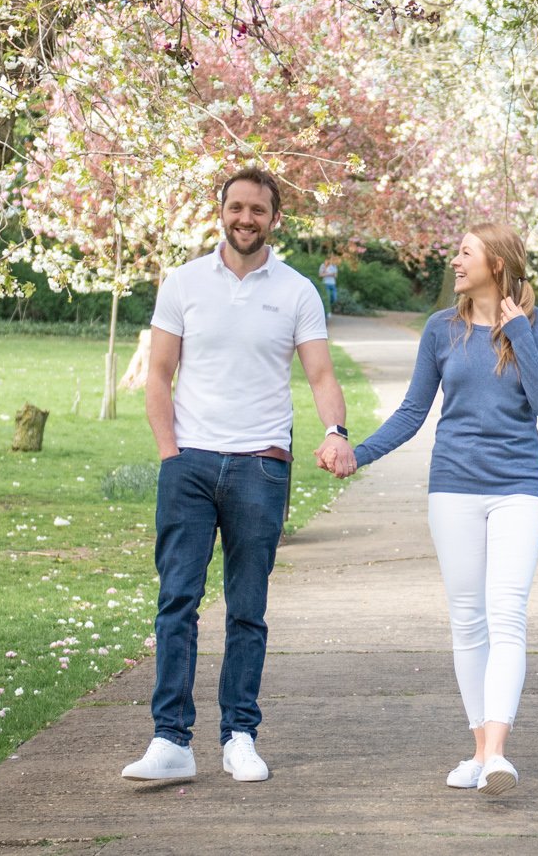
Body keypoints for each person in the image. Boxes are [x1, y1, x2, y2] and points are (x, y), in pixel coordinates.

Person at [120, 168, 358, 786]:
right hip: (190, 465)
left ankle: (239, 737)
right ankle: (170, 741)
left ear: (275, 218)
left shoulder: (299, 291)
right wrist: (171, 453)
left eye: (258, 209)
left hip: (261, 466)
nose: (245, 218)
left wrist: (336, 432)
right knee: (177, 602)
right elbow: (159, 374)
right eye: (236, 207)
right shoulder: (184, 283)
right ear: (220, 211)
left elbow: (322, 377)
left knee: (247, 609)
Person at [338, 221, 538, 796]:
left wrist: (519, 333)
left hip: (519, 488)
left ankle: (496, 754)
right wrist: (358, 455)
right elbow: (414, 411)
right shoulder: (442, 329)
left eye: (465, 253)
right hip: (454, 488)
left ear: (497, 263)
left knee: (506, 612)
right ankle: (480, 753)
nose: (454, 262)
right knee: (468, 619)